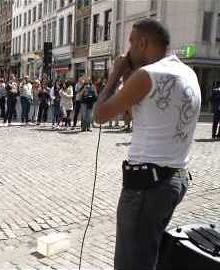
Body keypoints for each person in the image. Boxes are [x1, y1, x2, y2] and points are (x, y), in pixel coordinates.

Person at [94, 19, 201, 270]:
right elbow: (132, 116)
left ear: (143, 43)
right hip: (174, 180)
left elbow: (99, 115)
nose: (128, 49)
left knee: (131, 263)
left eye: (131, 42)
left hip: (146, 187)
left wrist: (116, 75)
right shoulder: (189, 73)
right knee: (148, 254)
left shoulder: (148, 75)